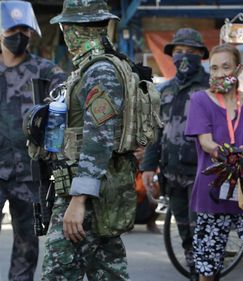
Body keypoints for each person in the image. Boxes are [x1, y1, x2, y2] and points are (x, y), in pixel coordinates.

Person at [41, 0, 138, 279]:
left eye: (66, 28)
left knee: (59, 273)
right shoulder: (90, 69)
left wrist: (79, 199)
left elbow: (99, 138)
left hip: (89, 192)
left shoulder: (100, 71)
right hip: (98, 187)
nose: (65, 35)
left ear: (74, 29)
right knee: (106, 271)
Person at [185, 43, 243, 281]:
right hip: (212, 189)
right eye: (214, 68)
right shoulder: (200, 101)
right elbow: (205, 143)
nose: (220, 73)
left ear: (238, 69)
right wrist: (228, 154)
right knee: (208, 261)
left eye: (226, 67)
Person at [0, 1, 66, 280]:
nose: (21, 35)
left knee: (27, 246)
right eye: (14, 29)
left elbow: (66, 110)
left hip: (29, 172)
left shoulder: (46, 72)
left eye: (26, 30)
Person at [141, 27, 210, 280]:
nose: (183, 56)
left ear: (201, 55)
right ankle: (195, 268)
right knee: (183, 225)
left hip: (202, 172)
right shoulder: (165, 91)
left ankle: (204, 271)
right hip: (172, 173)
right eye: (178, 52)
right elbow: (155, 132)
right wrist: (148, 167)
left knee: (200, 225)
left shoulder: (210, 88)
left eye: (190, 52)